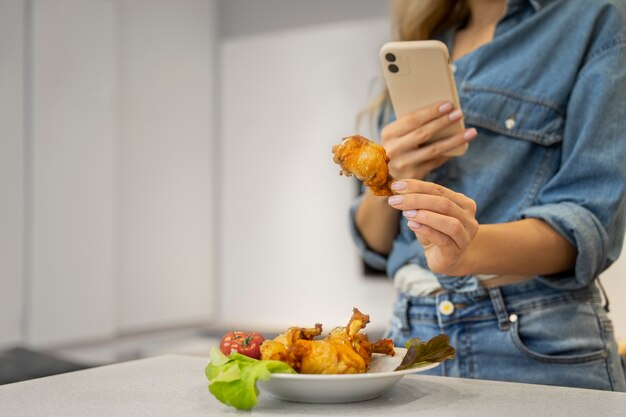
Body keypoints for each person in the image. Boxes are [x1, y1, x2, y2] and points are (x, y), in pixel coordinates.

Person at [350, 0, 626, 391]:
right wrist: (392, 175)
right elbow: (373, 242)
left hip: (532, 339)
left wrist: (468, 249)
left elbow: (588, 223)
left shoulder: (591, 19)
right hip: (412, 336)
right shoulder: (428, 40)